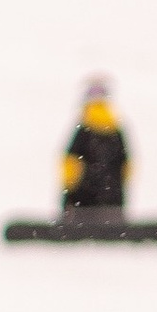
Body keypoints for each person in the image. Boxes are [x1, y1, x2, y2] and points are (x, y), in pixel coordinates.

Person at [60, 79, 129, 217]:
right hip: (112, 200)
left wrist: (67, 197)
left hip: (83, 200)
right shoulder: (116, 131)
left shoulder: (83, 130)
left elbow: (71, 164)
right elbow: (126, 166)